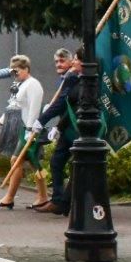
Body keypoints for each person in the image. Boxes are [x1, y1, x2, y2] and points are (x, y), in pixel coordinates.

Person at [0, 55, 47, 210]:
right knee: (35, 164)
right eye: (12, 72)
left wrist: (30, 130)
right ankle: (43, 196)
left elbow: (34, 108)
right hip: (21, 128)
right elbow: (12, 106)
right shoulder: (18, 85)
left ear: (26, 69)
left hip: (29, 130)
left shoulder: (33, 85)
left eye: (16, 71)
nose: (14, 75)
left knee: (15, 160)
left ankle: (10, 197)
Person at [35, 49, 83, 215]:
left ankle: (65, 203)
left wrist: (44, 121)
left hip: (79, 130)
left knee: (77, 166)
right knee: (56, 161)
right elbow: (64, 102)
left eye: (75, 59)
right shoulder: (71, 79)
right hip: (67, 128)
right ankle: (58, 200)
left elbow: (72, 106)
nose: (59, 65)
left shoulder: (88, 82)